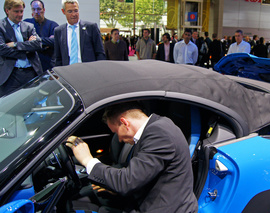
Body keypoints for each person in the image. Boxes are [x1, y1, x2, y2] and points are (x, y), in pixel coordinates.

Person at [66, 102, 198, 213]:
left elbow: (127, 181)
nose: (119, 139)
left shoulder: (160, 134)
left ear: (125, 123)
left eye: (116, 132)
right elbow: (139, 173)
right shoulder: (156, 126)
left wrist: (87, 161)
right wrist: (111, 185)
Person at [0, 0, 43, 97]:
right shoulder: (1, 27)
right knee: (9, 108)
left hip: (31, 73)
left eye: (21, 11)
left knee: (31, 106)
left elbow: (38, 44)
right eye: (16, 11)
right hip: (11, 76)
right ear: (7, 11)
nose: (20, 14)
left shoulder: (29, 27)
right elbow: (2, 49)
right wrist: (26, 50)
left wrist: (15, 44)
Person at [54, 0, 105, 66]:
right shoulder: (59, 31)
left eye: (76, 11)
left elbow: (100, 53)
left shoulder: (91, 28)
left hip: (88, 71)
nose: (74, 14)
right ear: (63, 11)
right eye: (70, 11)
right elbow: (58, 58)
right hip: (67, 72)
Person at [24, 0, 58, 71]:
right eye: (34, 9)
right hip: (31, 66)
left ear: (44, 10)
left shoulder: (52, 25)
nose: (36, 12)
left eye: (39, 9)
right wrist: (46, 42)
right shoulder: (26, 23)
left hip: (48, 65)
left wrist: (35, 40)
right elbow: (24, 42)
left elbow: (55, 41)